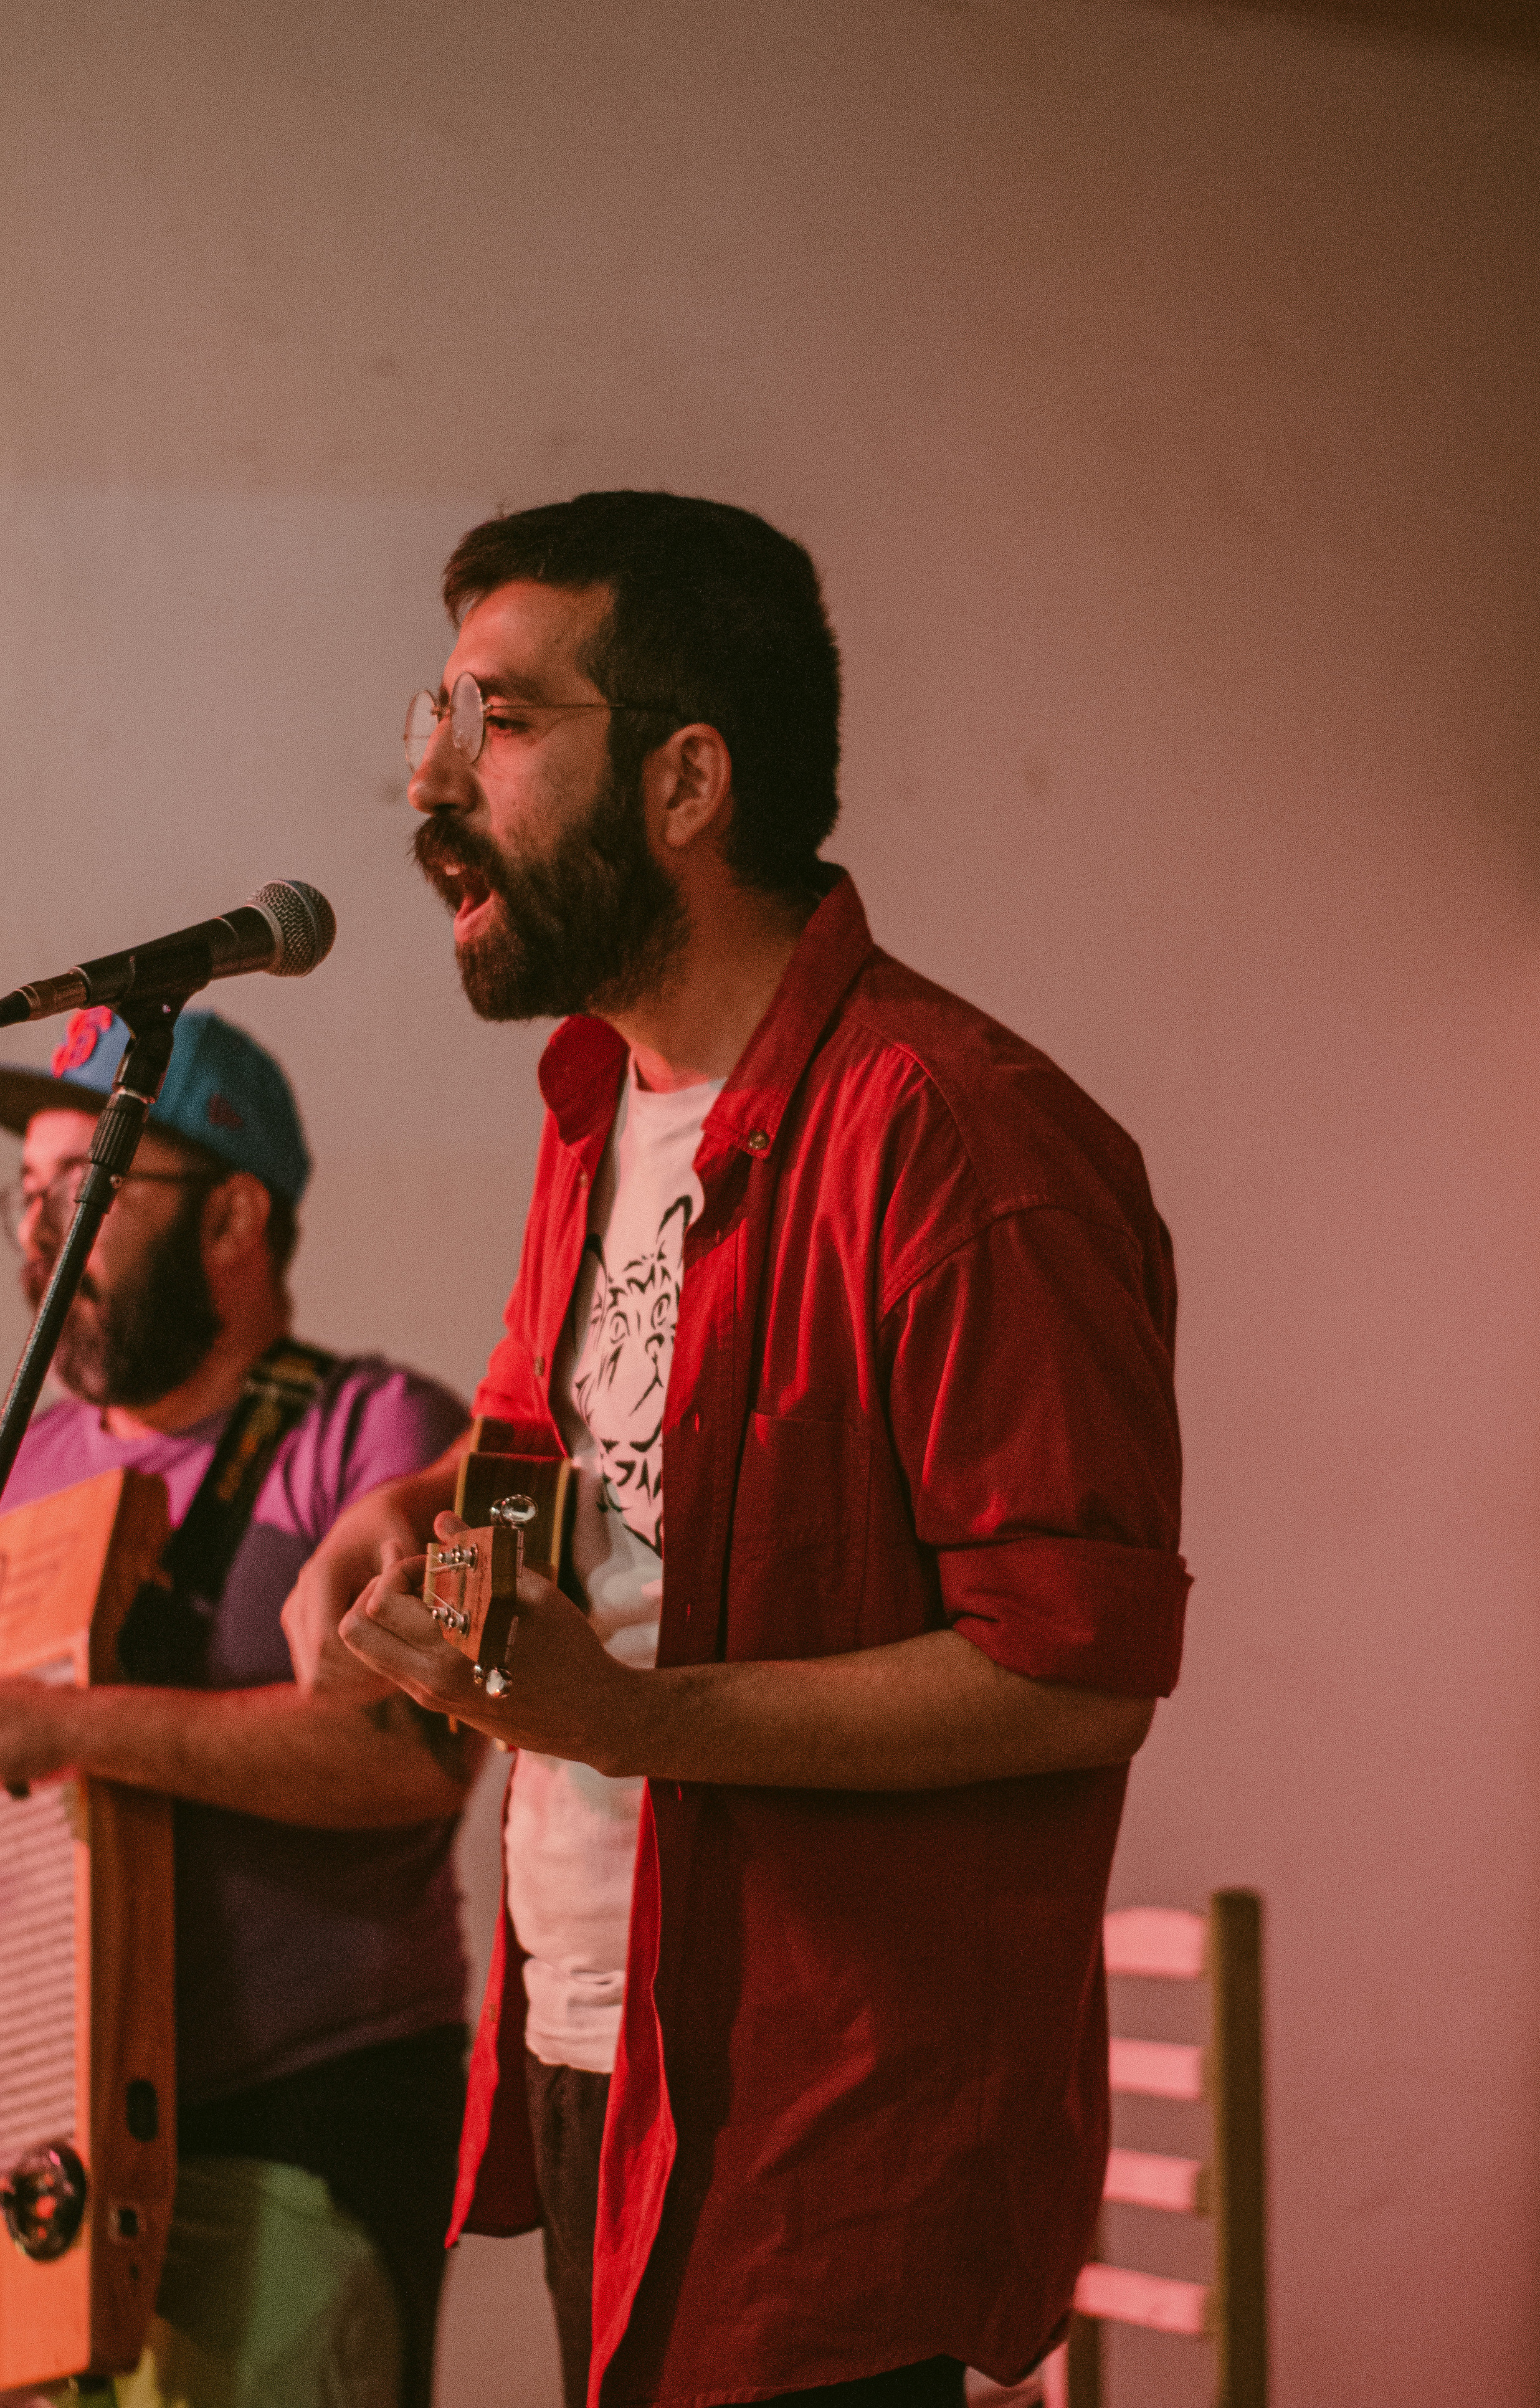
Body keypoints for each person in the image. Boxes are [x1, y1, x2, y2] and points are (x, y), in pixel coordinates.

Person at [282, 492, 1191, 2408]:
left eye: (502, 722)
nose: (432, 785)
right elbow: (566, 1460)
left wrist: (631, 1721)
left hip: (821, 2113)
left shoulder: (960, 1140)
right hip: (589, 2045)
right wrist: (420, 1520)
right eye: (436, 719)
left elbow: (1074, 1673)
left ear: (689, 779)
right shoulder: (601, 1097)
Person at [0, 1005, 478, 2408]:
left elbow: (415, 1760)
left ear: (234, 1217)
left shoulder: (381, 1435)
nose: (40, 1231)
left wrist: (73, 1729)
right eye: (26, 1194)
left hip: (294, 2132)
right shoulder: (23, 1468)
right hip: (53, 2156)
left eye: (84, 1188)